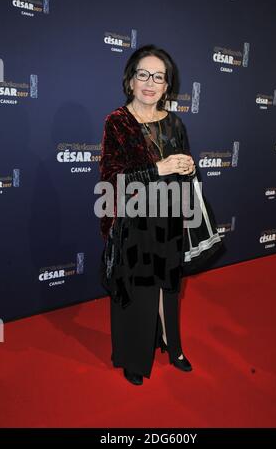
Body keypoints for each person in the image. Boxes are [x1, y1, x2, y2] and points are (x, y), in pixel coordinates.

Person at [99, 44, 199, 386]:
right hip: (134, 220)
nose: (150, 82)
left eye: (159, 76)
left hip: (169, 216)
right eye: (143, 74)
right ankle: (133, 355)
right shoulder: (117, 122)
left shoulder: (174, 122)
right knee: (140, 288)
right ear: (130, 81)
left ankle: (171, 343)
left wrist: (186, 169)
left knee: (168, 285)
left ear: (167, 86)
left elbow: (183, 172)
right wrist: (159, 166)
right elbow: (112, 180)